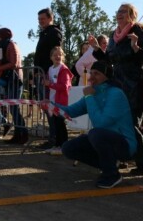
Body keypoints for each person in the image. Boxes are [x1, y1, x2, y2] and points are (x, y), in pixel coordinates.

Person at [90, 3, 143, 176]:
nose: (119, 14)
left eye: (123, 12)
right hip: (118, 84)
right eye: (118, 11)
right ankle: (122, 159)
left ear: (131, 15)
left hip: (135, 84)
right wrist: (97, 50)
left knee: (130, 124)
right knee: (118, 123)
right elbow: (109, 60)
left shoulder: (138, 33)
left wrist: (136, 48)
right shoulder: (114, 36)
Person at [54, 61, 137, 189]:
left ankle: (111, 174)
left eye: (96, 74)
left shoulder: (116, 94)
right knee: (68, 148)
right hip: (104, 138)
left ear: (107, 77)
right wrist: (51, 106)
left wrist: (89, 97)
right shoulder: (93, 92)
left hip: (125, 144)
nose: (91, 77)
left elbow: (100, 123)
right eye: (91, 73)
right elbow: (70, 112)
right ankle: (109, 165)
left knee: (95, 133)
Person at [0, 28, 28, 144]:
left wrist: (0, 68)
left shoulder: (11, 45)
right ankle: (18, 134)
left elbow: (14, 63)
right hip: (7, 79)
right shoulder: (1, 46)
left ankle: (22, 133)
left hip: (14, 79)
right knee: (12, 107)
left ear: (2, 35)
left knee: (14, 107)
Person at [42, 46, 73, 155]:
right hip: (52, 101)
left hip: (61, 102)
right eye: (55, 55)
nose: (58, 56)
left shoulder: (63, 69)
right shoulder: (50, 69)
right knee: (55, 124)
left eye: (60, 54)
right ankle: (57, 145)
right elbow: (48, 85)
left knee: (60, 124)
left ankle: (63, 146)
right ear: (51, 57)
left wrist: (50, 84)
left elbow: (64, 87)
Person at [34, 8, 63, 82]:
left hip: (49, 74)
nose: (40, 21)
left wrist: (48, 70)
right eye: (39, 19)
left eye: (43, 19)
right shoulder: (44, 33)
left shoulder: (54, 32)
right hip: (41, 73)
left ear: (50, 18)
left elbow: (56, 53)